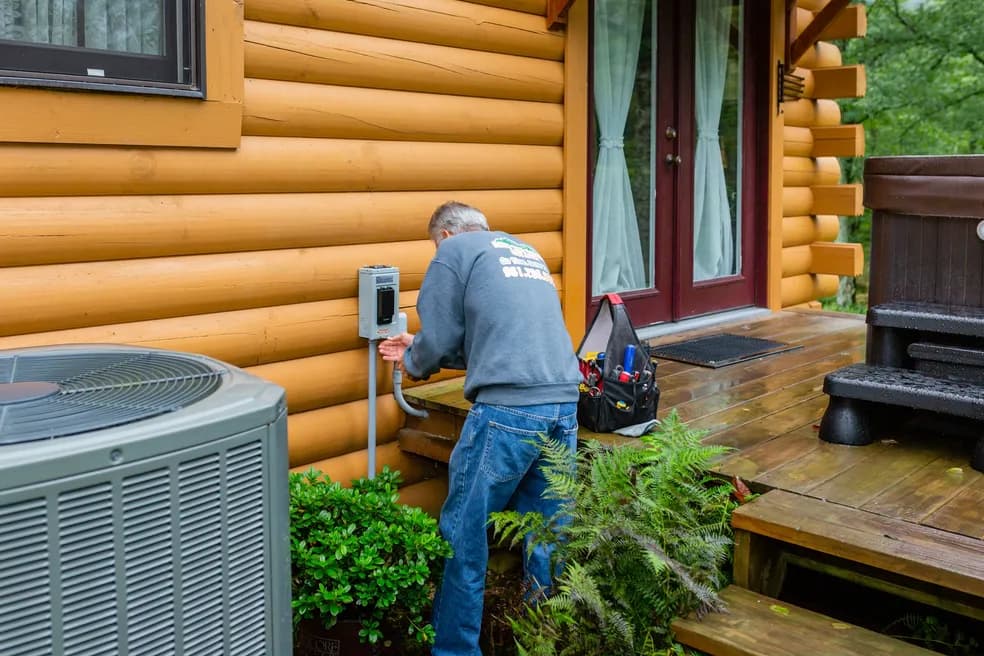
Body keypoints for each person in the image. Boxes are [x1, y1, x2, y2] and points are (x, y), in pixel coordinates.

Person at [378, 201, 581, 656]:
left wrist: (413, 359)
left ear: (446, 236)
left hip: (509, 412)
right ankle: (540, 639)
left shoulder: (454, 251)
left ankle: (454, 650)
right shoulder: (522, 253)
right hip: (564, 403)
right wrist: (426, 348)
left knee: (464, 534)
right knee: (547, 531)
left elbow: (441, 335)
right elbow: (497, 341)